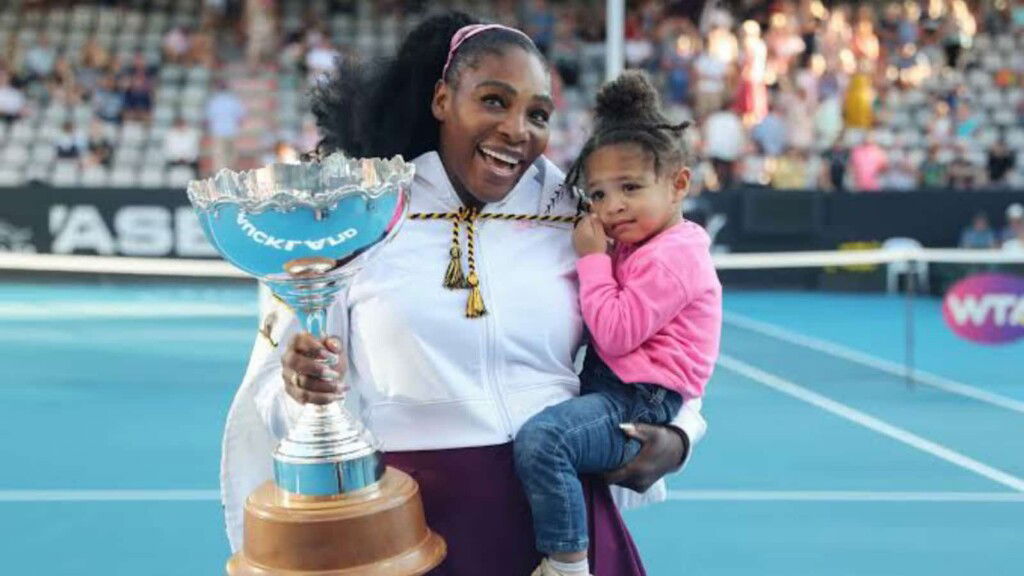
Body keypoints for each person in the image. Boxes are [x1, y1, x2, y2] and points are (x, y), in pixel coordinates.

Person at [223, 13, 707, 576]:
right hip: (410, 527)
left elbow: (667, 323)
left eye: (538, 114)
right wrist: (301, 387)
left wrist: (680, 434)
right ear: (441, 100)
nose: (517, 129)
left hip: (562, 526)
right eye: (494, 101)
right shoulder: (361, 213)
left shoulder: (577, 213)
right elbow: (282, 387)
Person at [513, 72, 721, 576]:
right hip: (622, 388)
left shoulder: (671, 257)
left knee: (546, 441)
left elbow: (615, 332)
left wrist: (592, 260)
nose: (612, 207)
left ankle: (568, 565)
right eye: (599, 194)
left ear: (678, 185)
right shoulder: (645, 243)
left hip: (639, 399)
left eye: (630, 188)